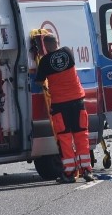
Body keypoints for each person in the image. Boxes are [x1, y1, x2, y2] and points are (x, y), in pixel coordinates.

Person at [33, 32, 94, 183]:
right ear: (57, 41)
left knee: (65, 138)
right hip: (77, 100)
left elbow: (40, 82)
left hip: (60, 104)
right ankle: (86, 170)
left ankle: (69, 172)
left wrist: (40, 56)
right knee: (81, 135)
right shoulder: (68, 52)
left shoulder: (45, 61)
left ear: (45, 46)